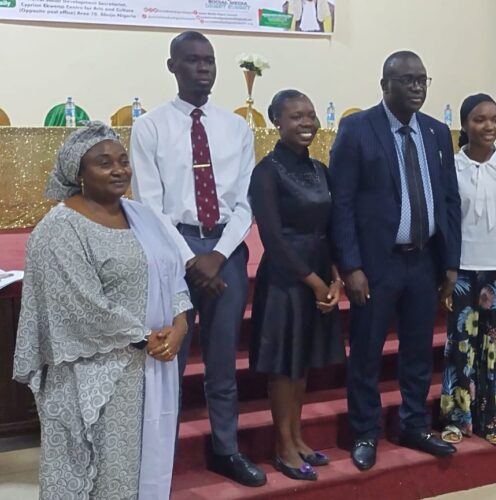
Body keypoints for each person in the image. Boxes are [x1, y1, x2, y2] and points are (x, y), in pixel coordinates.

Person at [13, 122, 192, 499]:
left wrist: (179, 324)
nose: (119, 170)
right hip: (92, 378)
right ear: (77, 172)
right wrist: (144, 337)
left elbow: (171, 270)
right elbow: (80, 306)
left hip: (150, 368)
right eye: (104, 163)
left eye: (123, 161)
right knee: (101, 477)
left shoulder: (143, 216)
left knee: (141, 472)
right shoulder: (59, 229)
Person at [130, 31, 266, 487]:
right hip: (172, 254)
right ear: (173, 67)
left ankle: (226, 449)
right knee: (168, 363)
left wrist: (220, 254)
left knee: (223, 363)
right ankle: (158, 462)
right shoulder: (150, 127)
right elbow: (149, 202)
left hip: (225, 252)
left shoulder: (236, 127)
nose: (203, 67)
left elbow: (247, 201)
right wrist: (191, 260)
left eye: (209, 60)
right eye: (191, 60)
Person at [329, 50, 461, 471]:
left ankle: (413, 424)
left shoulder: (438, 133)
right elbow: (342, 202)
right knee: (367, 351)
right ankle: (365, 431)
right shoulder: (357, 129)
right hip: (376, 264)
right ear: (385, 85)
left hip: (424, 261)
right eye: (407, 80)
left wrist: (450, 263)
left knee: (419, 350)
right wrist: (350, 266)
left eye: (422, 79)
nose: (417, 87)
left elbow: (449, 201)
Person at [249, 90, 345, 481]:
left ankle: (298, 436)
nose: (306, 123)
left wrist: (335, 278)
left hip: (320, 272)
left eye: (310, 116)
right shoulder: (266, 171)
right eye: (295, 117)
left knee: (302, 362)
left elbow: (332, 228)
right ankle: (283, 446)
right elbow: (272, 238)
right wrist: (314, 283)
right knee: (283, 366)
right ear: (276, 121)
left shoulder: (321, 169)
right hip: (287, 279)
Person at [439, 94, 496, 447]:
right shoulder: (450, 166)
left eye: (494, 118)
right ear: (465, 125)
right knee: (460, 346)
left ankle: (490, 417)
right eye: (479, 119)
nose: (488, 126)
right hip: (460, 270)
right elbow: (445, 222)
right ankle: (456, 417)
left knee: (494, 347)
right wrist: (444, 270)